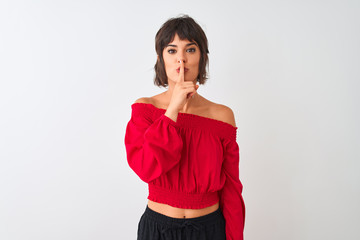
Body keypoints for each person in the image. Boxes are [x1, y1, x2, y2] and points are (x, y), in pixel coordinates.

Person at [124, 14, 245, 240]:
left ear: (202, 57)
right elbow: (146, 168)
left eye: (190, 50)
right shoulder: (145, 110)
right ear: (161, 59)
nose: (181, 59)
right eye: (172, 50)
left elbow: (231, 190)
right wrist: (172, 111)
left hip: (209, 229)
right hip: (157, 229)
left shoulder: (222, 116)